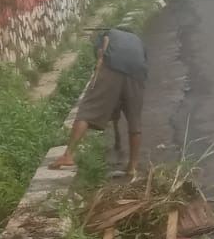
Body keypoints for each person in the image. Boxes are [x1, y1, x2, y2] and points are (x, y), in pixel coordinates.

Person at [50, 18, 148, 177]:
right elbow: (144, 61)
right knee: (134, 120)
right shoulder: (138, 40)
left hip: (112, 68)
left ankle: (68, 155)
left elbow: (100, 53)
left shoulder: (108, 33)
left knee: (87, 110)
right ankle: (132, 166)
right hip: (137, 73)